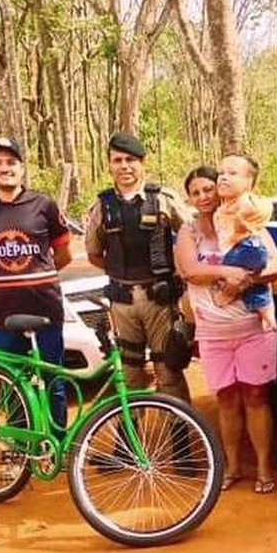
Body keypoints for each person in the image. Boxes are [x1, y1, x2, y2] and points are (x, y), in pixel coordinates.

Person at [174, 158, 277, 493]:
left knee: (255, 395)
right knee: (225, 400)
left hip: (253, 328)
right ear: (190, 199)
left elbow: (276, 265)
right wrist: (225, 272)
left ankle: (264, 468)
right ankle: (232, 466)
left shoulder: (244, 221)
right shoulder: (188, 231)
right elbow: (190, 271)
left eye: (209, 188)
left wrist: (244, 282)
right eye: (196, 192)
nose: (204, 195)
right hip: (212, 332)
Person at [0, 137, 72, 435]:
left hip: (45, 306)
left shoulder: (43, 204)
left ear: (22, 168)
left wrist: (38, 274)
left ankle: (58, 442)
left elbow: (64, 253)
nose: (4, 168)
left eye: (11, 162)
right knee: (12, 381)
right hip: (2, 311)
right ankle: (21, 447)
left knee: (53, 379)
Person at [84, 132, 193, 402]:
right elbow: (94, 254)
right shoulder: (103, 205)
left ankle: (180, 438)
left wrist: (183, 274)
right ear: (109, 165)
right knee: (130, 375)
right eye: (117, 160)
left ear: (142, 162)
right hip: (123, 303)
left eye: (131, 159)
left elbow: (193, 236)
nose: (124, 166)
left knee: (168, 371)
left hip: (160, 300)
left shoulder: (164, 199)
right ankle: (131, 440)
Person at [213, 184, 277, 330]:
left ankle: (228, 294)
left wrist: (233, 283)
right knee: (258, 289)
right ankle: (268, 317)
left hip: (245, 251)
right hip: (256, 252)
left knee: (231, 271)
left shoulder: (231, 217)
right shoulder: (252, 229)